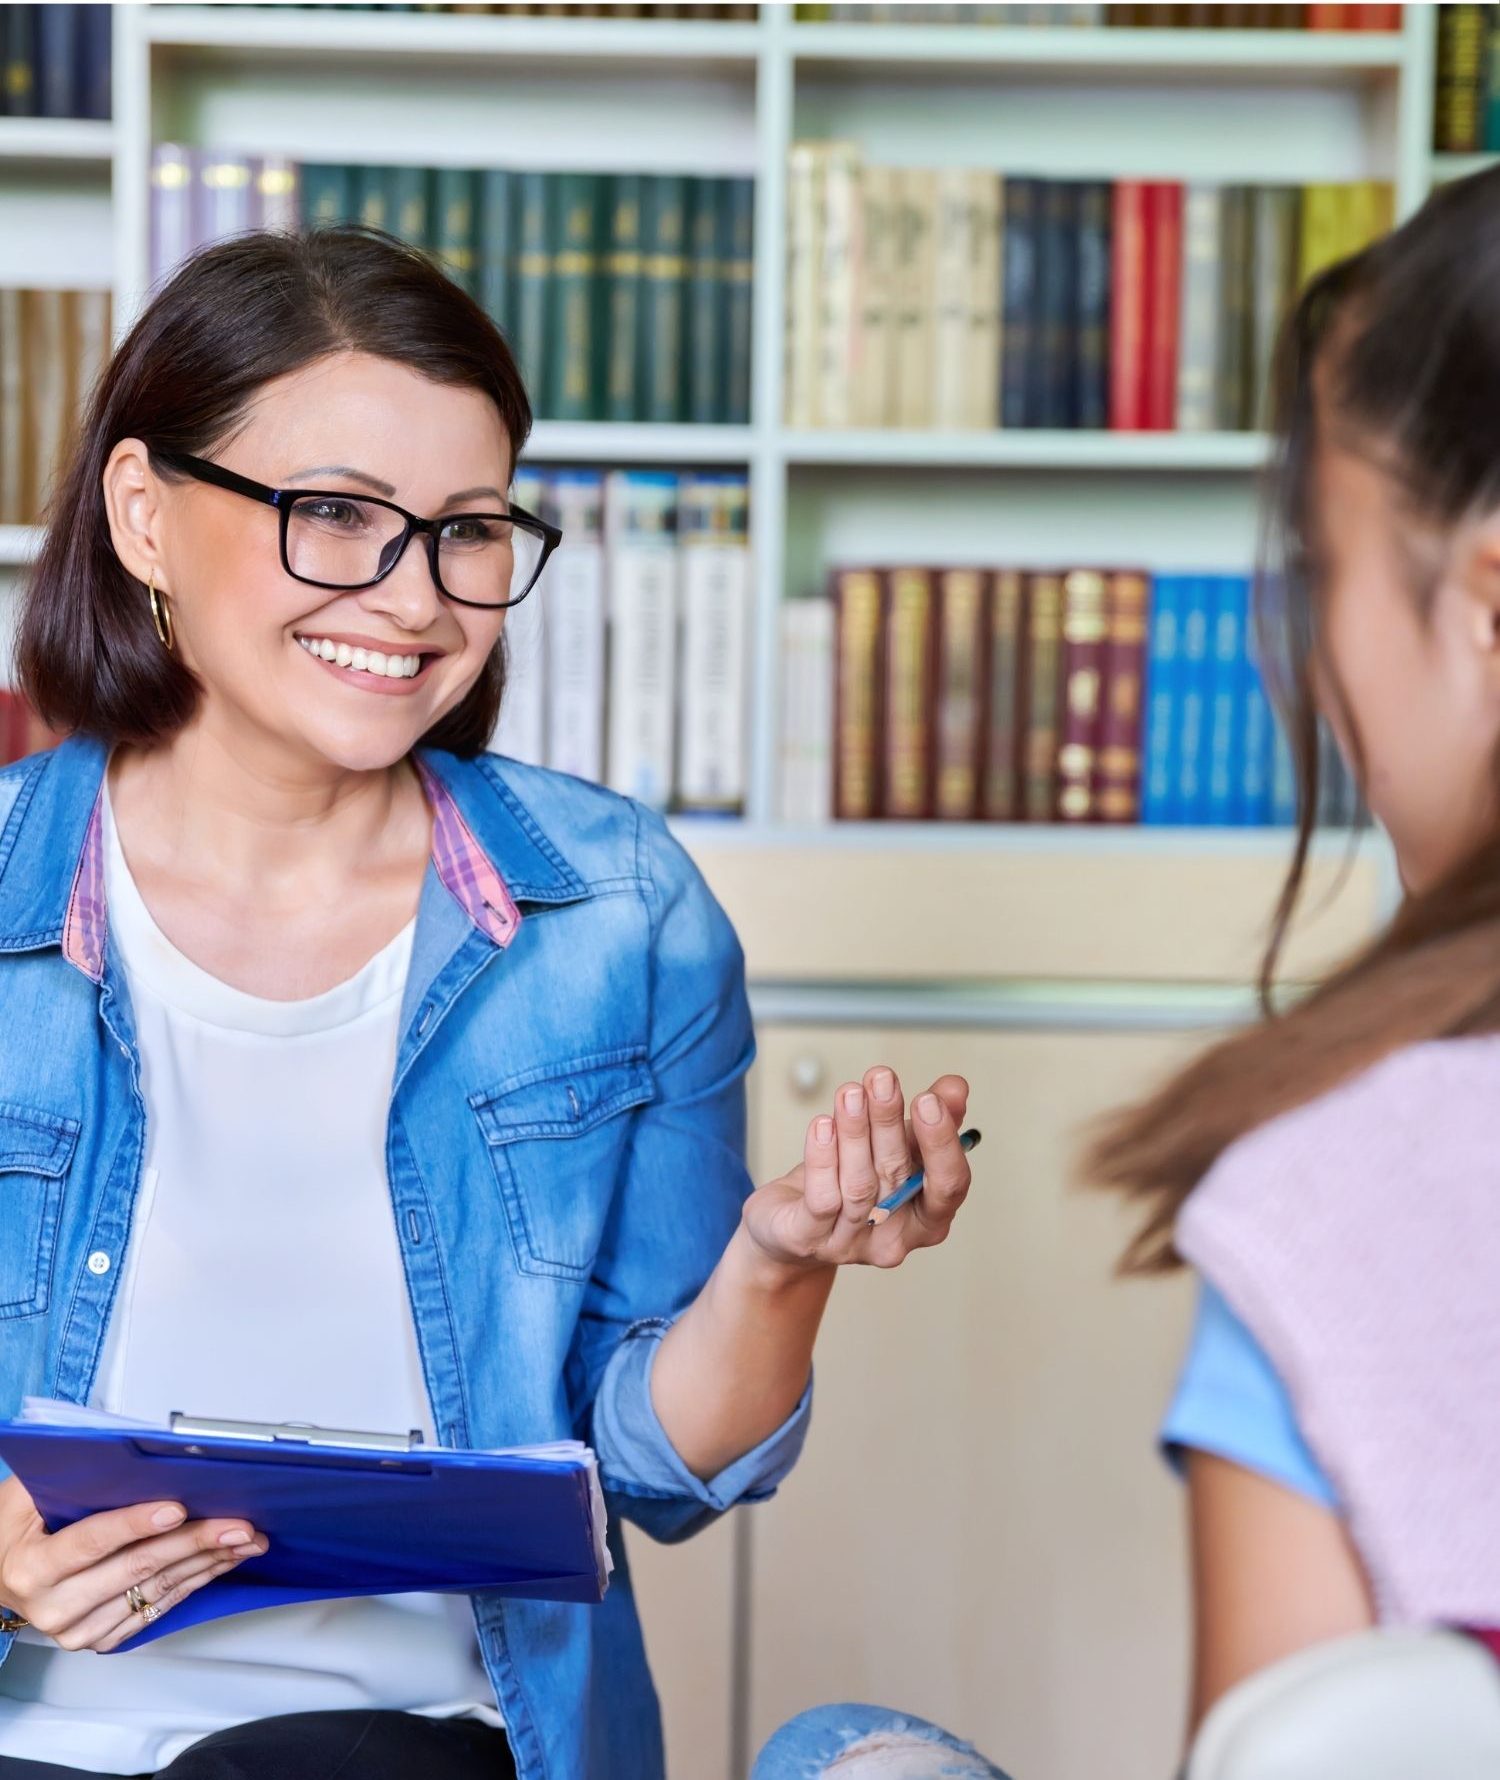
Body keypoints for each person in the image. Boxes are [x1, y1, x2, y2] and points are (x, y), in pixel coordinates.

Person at [0, 226, 976, 1780]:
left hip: (424, 1742)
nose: (415, 600)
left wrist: (778, 1267)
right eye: (335, 516)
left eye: (467, 531)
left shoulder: (614, 914)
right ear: (144, 514)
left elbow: (654, 1473)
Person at [758, 166, 1500, 1779]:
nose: (1312, 661)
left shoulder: (1342, 1188)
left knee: (841, 1757)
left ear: (1488, 604)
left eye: (1326, 570)